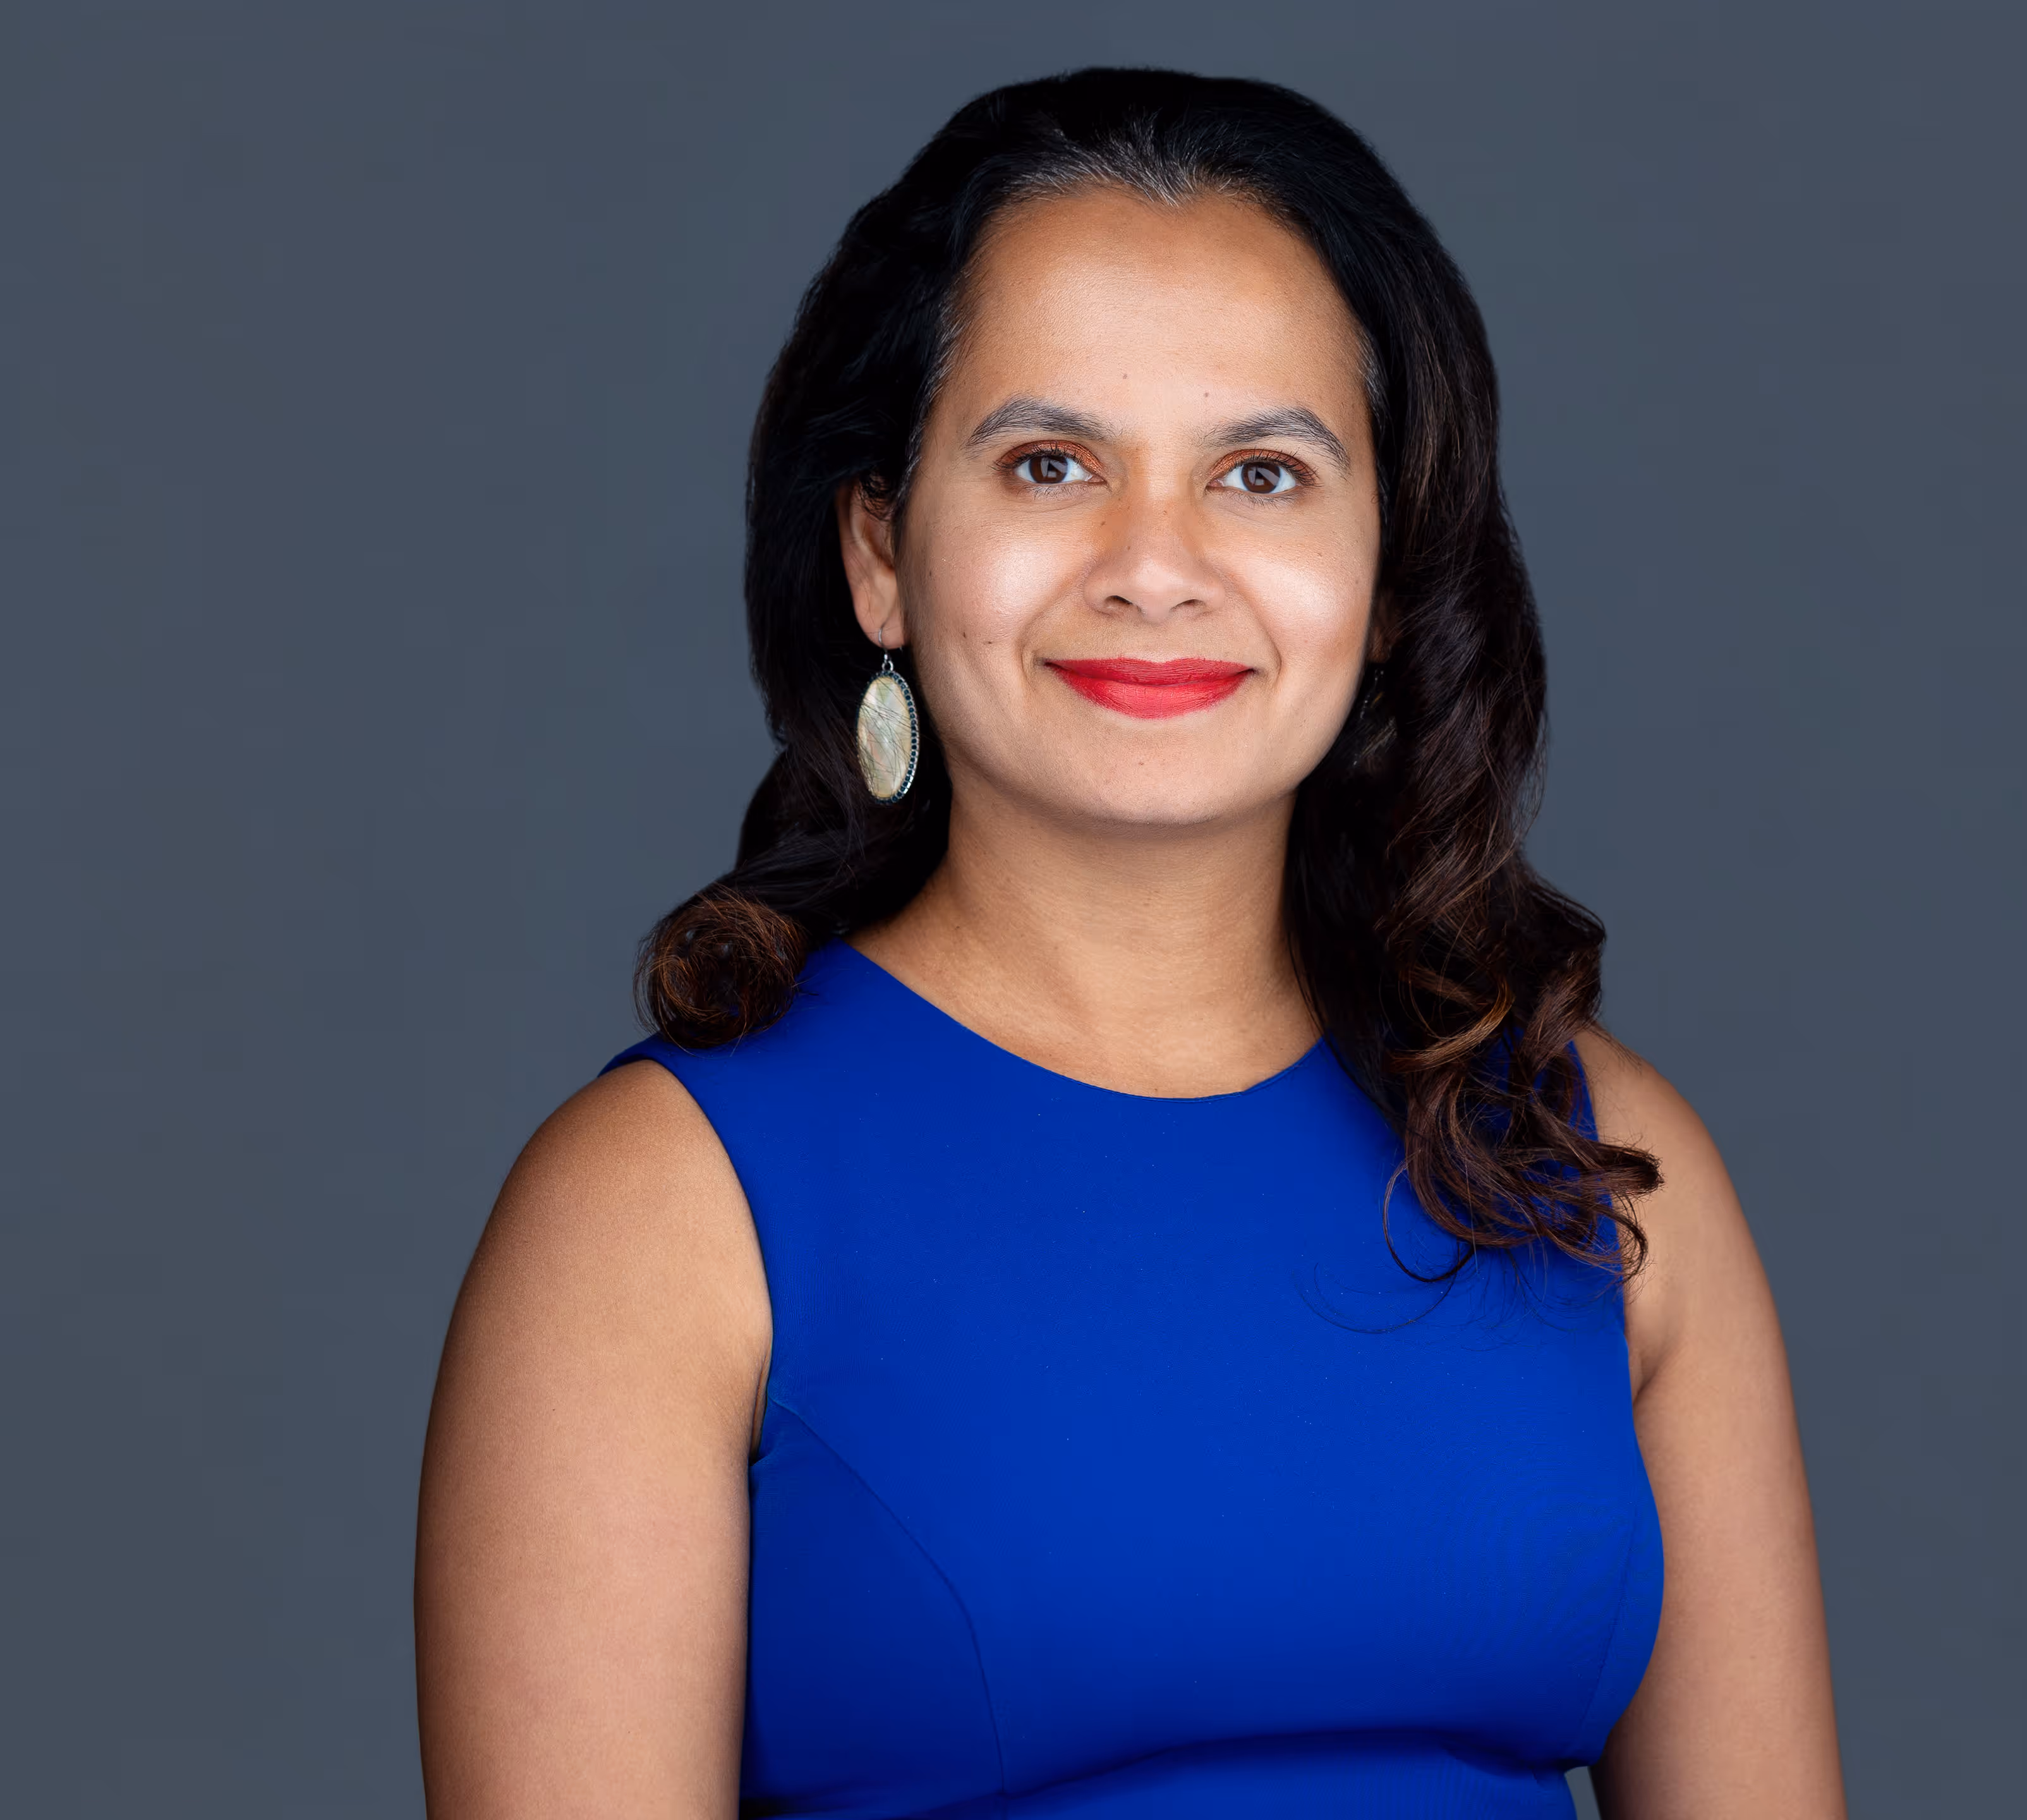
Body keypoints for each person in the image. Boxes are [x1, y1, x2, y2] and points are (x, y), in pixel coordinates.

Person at [414, 68, 1845, 1820]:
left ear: (1389, 575)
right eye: (1049, 464)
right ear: (880, 552)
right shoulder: (655, 1214)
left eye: (1263, 473)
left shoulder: (1597, 1162)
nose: (1155, 568)